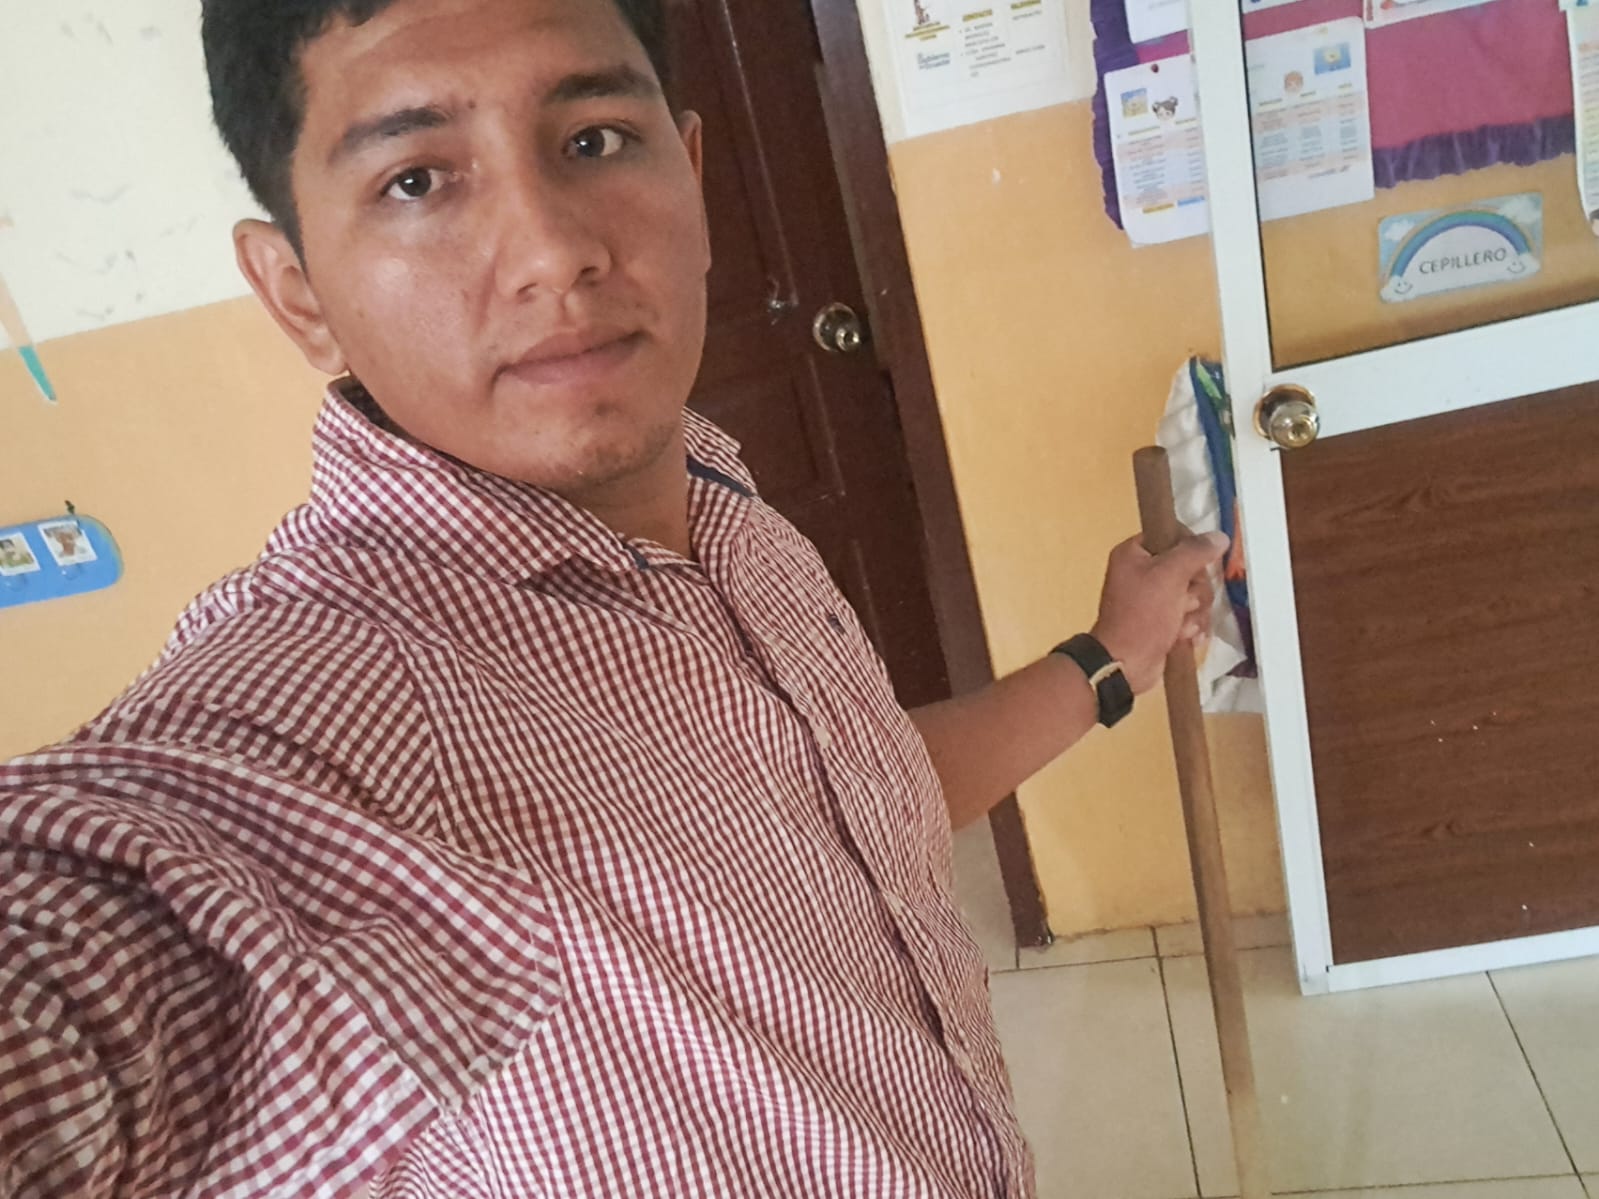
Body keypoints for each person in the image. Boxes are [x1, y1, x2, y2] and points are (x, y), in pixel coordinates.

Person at [0, 0, 1226, 1195]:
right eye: (416, 180)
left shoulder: (722, 506)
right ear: (298, 295)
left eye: (592, 140)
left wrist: (1110, 655)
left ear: (691, 178)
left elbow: (858, 801)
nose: (552, 253)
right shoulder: (324, 703)